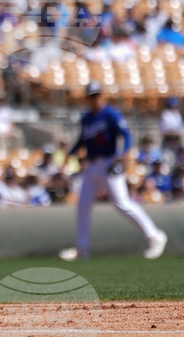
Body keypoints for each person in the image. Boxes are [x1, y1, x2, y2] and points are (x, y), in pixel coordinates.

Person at [58, 81, 167, 261]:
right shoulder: (87, 118)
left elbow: (126, 135)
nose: (95, 99)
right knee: (83, 206)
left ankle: (154, 236)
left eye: (97, 95)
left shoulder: (110, 114)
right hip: (92, 166)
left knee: (122, 203)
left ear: (103, 95)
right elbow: (82, 140)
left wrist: (124, 153)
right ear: (88, 98)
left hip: (109, 163)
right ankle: (82, 249)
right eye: (92, 96)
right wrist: (70, 154)